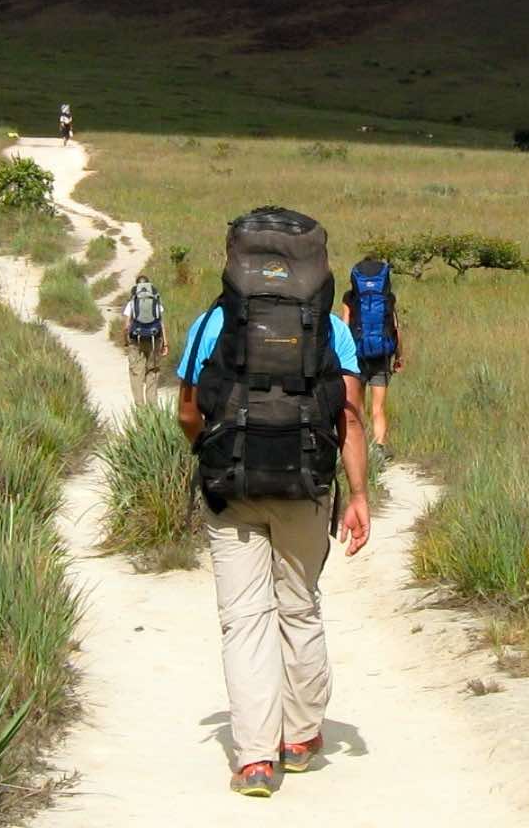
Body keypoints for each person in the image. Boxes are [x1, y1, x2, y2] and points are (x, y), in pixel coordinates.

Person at [173, 208, 371, 798]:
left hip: (230, 487)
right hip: (307, 485)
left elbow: (187, 410)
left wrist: (209, 450)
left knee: (244, 621)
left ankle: (256, 758)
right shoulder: (329, 329)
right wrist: (358, 495)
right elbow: (350, 418)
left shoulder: (212, 321)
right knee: (300, 605)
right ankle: (302, 736)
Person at [338, 256, 403, 450]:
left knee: (357, 407)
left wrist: (340, 357)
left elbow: (344, 325)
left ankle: (362, 447)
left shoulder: (349, 298)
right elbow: (396, 328)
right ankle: (380, 448)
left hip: (356, 357)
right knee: (378, 408)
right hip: (382, 356)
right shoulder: (388, 298)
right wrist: (399, 356)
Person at [123, 273, 168, 380]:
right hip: (154, 339)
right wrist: (165, 344)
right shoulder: (156, 302)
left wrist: (126, 342)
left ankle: (139, 397)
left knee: (136, 374)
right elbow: (161, 324)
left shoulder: (132, 303)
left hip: (136, 341)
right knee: (152, 372)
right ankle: (151, 397)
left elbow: (126, 327)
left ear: (136, 286)